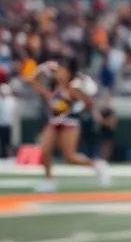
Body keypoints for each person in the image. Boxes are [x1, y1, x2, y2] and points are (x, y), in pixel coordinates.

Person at [22, 58, 110, 192]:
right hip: (54, 122)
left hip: (69, 123)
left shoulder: (73, 88)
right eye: (59, 70)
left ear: (69, 73)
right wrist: (41, 68)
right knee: (44, 149)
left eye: (63, 71)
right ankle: (49, 181)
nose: (59, 73)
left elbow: (89, 102)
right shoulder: (55, 88)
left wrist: (78, 104)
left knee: (70, 157)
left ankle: (97, 165)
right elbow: (31, 80)